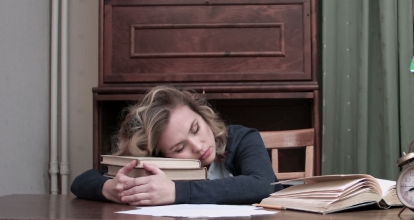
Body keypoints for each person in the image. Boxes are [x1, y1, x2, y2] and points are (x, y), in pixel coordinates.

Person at [71, 85, 282, 206]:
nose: (198, 147)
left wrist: (175, 191)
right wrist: (110, 189)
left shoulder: (242, 137)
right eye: (179, 148)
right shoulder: (159, 166)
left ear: (203, 116)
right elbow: (81, 182)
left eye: (196, 128)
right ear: (161, 155)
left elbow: (262, 185)